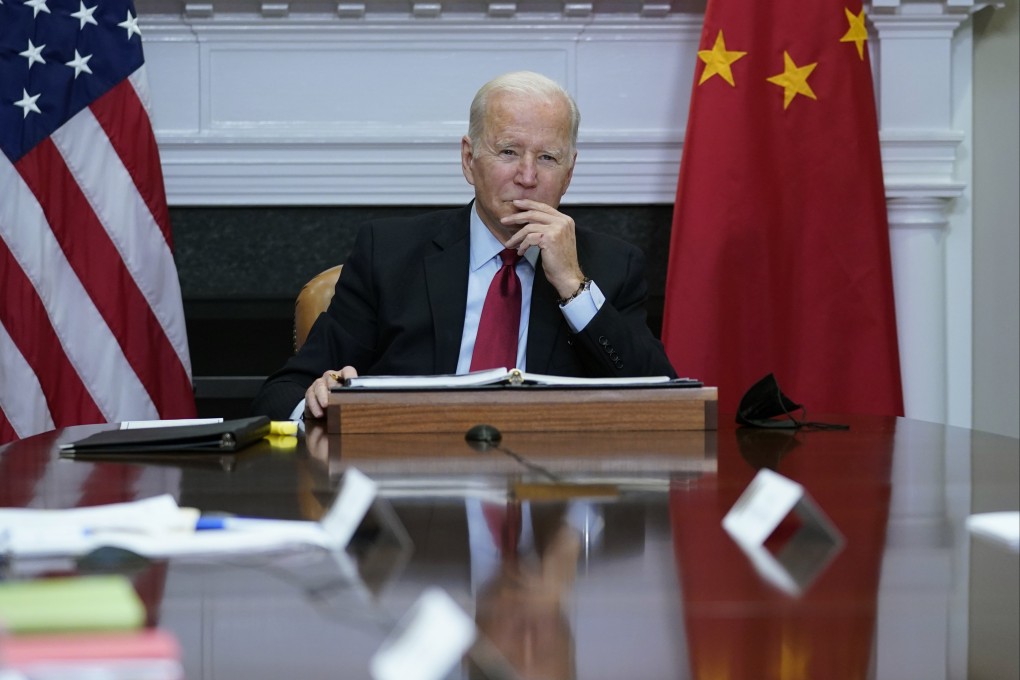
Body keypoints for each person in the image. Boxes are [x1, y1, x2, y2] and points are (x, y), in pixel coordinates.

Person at [252, 71, 676, 421]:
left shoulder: (611, 266)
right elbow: (282, 393)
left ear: (569, 173)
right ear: (468, 160)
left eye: (548, 158)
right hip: (414, 496)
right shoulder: (389, 254)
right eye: (508, 151)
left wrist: (572, 285)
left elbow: (664, 406)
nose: (527, 176)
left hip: (549, 503)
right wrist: (316, 405)